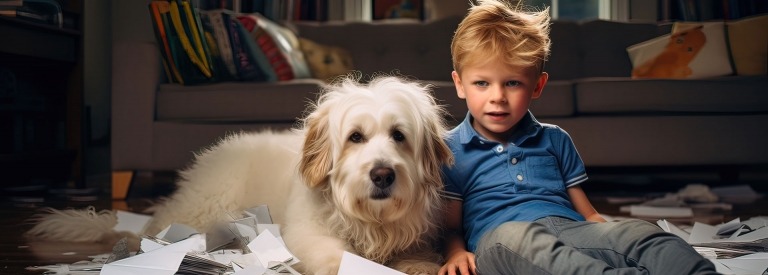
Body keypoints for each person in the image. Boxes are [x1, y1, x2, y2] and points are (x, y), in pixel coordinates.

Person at [438, 1, 719, 274]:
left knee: (641, 232)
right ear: (460, 84)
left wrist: (612, 235)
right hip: (500, 241)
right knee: (519, 239)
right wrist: (455, 253)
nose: (497, 97)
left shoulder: (555, 139)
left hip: (570, 229)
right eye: (482, 83)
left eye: (513, 83)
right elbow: (451, 227)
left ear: (537, 86)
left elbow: (589, 214)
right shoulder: (450, 149)